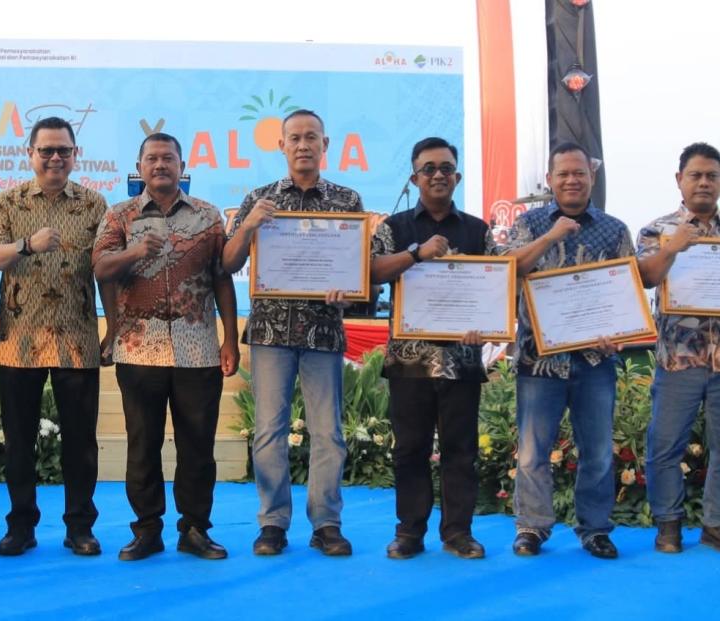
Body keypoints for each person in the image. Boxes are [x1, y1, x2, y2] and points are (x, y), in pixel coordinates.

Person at [94, 132, 240, 561]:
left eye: (168, 158)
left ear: (182, 166)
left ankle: (195, 529)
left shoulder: (208, 216)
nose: (160, 165)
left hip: (199, 350)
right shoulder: (120, 215)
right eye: (152, 159)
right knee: (143, 444)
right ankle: (146, 530)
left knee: (198, 445)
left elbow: (222, 278)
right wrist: (135, 251)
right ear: (139, 168)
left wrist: (230, 339)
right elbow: (100, 267)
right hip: (139, 349)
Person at [220, 109, 359, 556]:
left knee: (328, 432)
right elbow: (228, 262)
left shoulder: (346, 201)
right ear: (281, 145)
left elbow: (359, 272)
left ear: (325, 144)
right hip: (271, 331)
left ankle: (326, 524)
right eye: (294, 138)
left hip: (323, 331)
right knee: (268, 431)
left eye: (311, 137)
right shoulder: (259, 198)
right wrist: (248, 225)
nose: (303, 145)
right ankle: (273, 523)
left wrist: (348, 293)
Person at [0, 117, 108, 557]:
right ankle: (21, 526)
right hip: (20, 341)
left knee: (81, 443)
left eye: (63, 150)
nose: (55, 158)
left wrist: (113, 327)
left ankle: (80, 527)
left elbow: (105, 270)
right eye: (46, 150)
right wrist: (27, 245)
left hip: (78, 339)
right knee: (19, 443)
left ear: (75, 155)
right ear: (30, 154)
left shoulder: (95, 204)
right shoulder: (7, 202)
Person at [502, 141, 633, 559]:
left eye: (579, 172)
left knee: (597, 451)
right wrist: (552, 235)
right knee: (532, 452)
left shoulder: (615, 229)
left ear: (591, 177)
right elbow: (510, 268)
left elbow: (625, 291)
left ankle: (595, 529)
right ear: (550, 179)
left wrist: (619, 332)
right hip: (539, 359)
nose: (572, 180)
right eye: (563, 174)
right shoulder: (529, 223)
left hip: (595, 359)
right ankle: (532, 527)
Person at [369, 137, 493, 560]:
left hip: (462, 358)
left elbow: (496, 285)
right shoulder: (395, 227)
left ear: (457, 176)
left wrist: (486, 327)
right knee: (409, 449)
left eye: (446, 168)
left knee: (461, 451)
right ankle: (410, 531)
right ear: (414, 178)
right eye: (429, 169)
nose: (438, 175)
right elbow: (371, 271)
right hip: (409, 360)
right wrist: (416, 254)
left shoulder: (477, 230)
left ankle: (458, 532)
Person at [635, 141, 720, 553]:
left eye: (712, 176)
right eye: (696, 175)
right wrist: (672, 247)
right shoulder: (657, 230)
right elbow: (645, 278)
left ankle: (715, 525)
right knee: (665, 445)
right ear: (679, 180)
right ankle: (668, 524)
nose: (704, 182)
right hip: (677, 359)